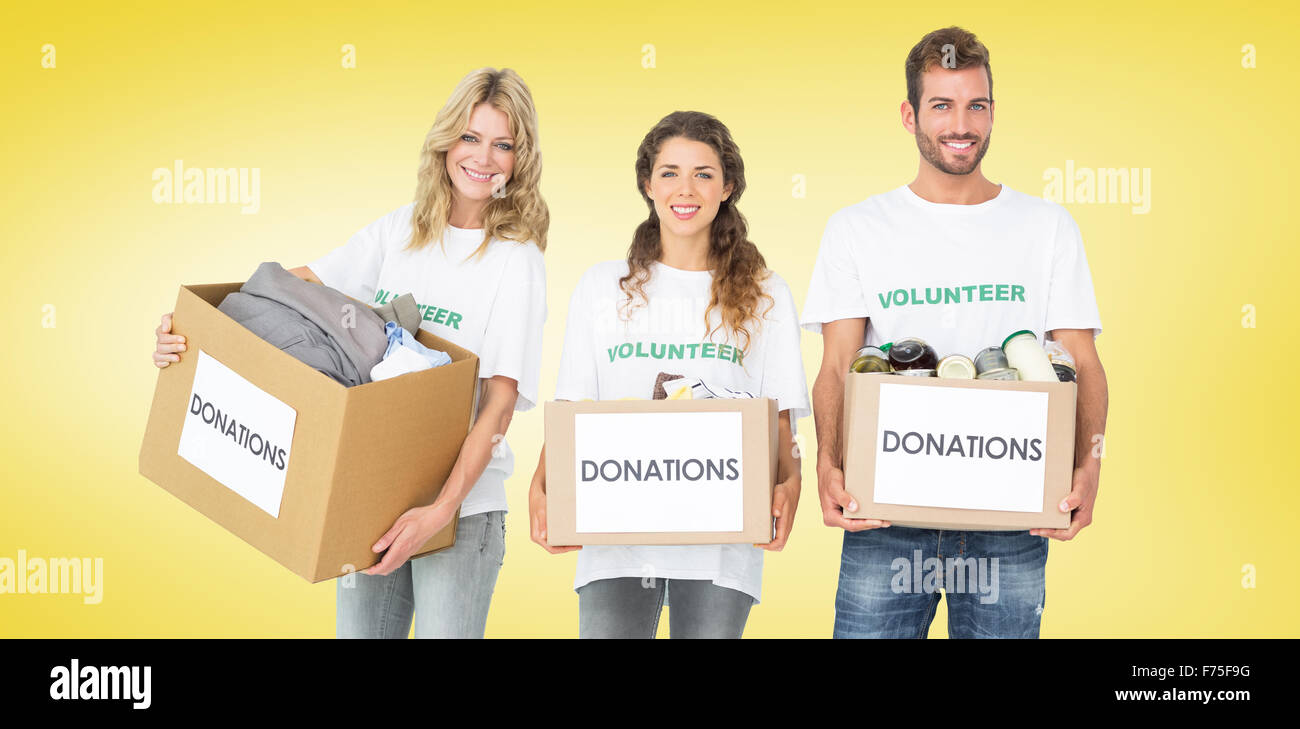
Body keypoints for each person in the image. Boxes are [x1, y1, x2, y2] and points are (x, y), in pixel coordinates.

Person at [152, 67, 549, 638]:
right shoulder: (400, 233)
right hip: (369, 499)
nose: (483, 158)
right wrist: (193, 326)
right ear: (445, 143)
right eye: (470, 137)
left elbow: (500, 405)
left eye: (502, 144)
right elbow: (294, 290)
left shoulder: (516, 260)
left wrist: (439, 510)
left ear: (519, 159)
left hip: (460, 512)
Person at [801, 26, 1108, 639]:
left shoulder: (1045, 225)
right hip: (885, 511)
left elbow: (1082, 360)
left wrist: (1090, 464)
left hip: (1010, 510)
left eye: (976, 105)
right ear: (910, 114)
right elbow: (838, 366)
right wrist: (828, 464)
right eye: (941, 105)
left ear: (993, 111)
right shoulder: (857, 228)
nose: (960, 124)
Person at [528, 111, 809, 639]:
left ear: (727, 187)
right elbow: (572, 409)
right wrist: (541, 486)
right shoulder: (602, 286)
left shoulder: (766, 293)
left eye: (704, 173)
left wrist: (792, 485)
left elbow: (781, 424)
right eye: (669, 172)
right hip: (615, 535)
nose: (686, 189)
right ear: (647, 184)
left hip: (722, 542)